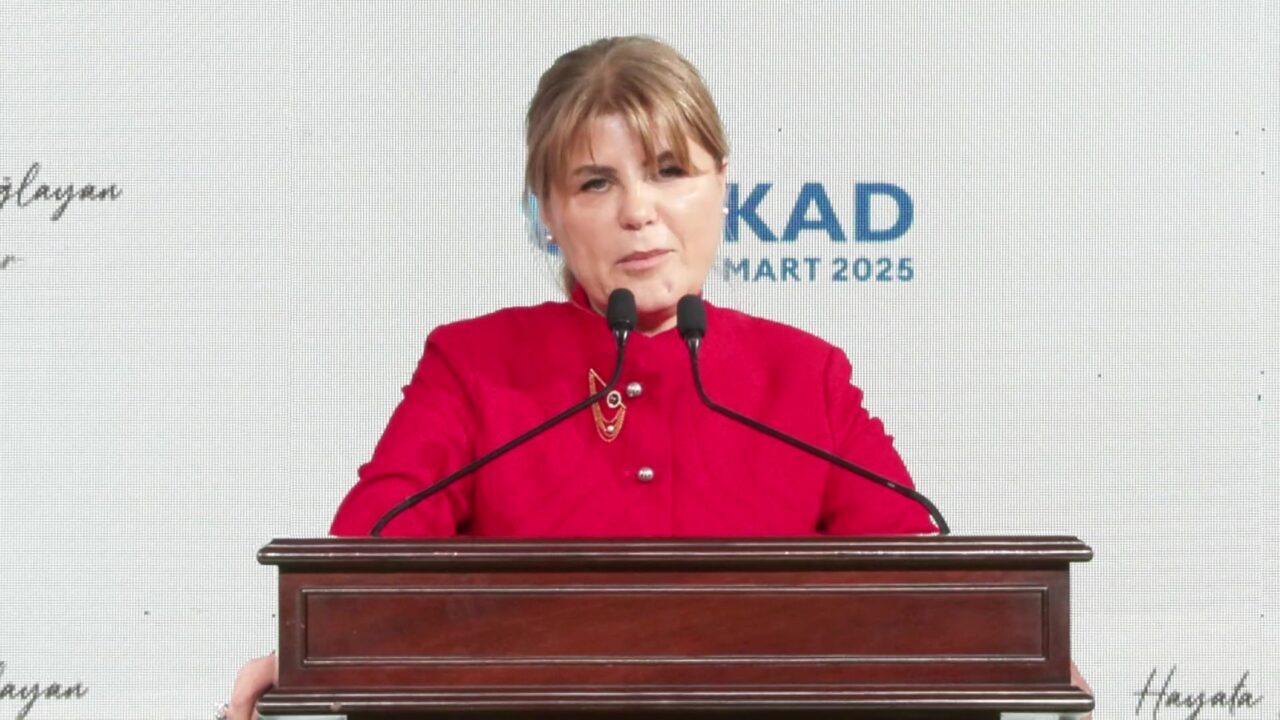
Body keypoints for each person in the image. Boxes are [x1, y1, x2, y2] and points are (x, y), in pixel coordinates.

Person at [222, 35, 938, 720]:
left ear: (722, 185)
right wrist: (316, 653)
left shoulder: (805, 375)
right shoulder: (473, 366)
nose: (638, 212)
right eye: (596, 183)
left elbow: (928, 604)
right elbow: (364, 574)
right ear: (548, 214)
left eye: (670, 172)